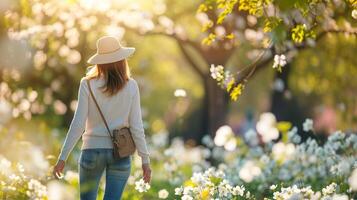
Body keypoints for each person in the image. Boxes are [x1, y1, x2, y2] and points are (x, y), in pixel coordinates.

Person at [52, 36, 151, 200]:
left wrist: (62, 158)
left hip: (92, 150)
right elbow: (136, 126)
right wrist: (145, 160)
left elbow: (78, 124)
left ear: (100, 61)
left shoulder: (87, 84)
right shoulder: (131, 85)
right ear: (121, 59)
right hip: (121, 152)